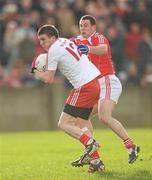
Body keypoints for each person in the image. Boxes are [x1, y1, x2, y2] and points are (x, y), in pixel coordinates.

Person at [32, 24, 108, 173]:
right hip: (96, 81)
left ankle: (90, 143)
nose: (41, 43)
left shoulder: (53, 49)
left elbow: (48, 79)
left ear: (53, 38)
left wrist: (35, 71)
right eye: (39, 40)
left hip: (85, 86)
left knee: (63, 123)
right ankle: (96, 161)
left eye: (43, 39)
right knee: (80, 122)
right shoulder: (65, 41)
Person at [70, 15, 140, 165]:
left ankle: (131, 146)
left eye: (86, 25)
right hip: (95, 85)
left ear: (94, 28)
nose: (83, 28)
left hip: (107, 80)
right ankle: (93, 156)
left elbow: (103, 49)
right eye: (81, 25)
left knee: (104, 117)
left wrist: (88, 48)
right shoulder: (78, 40)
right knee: (80, 120)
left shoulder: (99, 37)